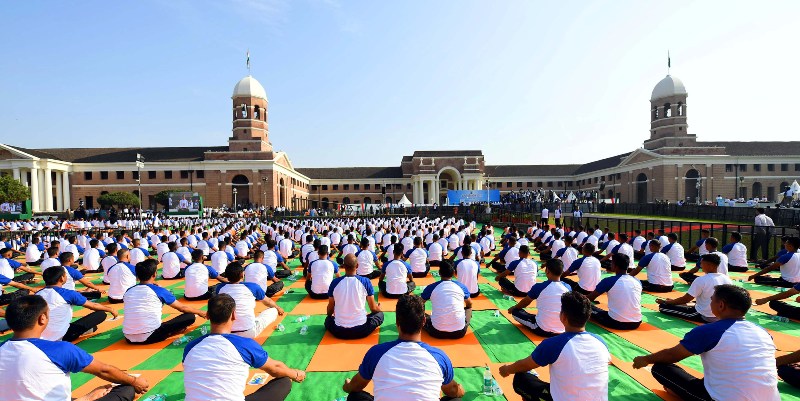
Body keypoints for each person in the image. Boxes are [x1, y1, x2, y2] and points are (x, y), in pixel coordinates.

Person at [633, 285, 780, 401]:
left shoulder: (709, 331)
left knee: (660, 368)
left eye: (711, 300)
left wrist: (645, 359)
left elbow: (672, 355)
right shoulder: (763, 332)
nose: (710, 303)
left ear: (721, 305)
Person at [0, 295, 147, 401]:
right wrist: (134, 382)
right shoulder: (59, 349)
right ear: (42, 318)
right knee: (126, 388)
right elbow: (104, 370)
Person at [182, 293, 306, 401]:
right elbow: (275, 368)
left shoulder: (190, 347)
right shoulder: (243, 344)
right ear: (234, 316)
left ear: (208, 315)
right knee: (284, 380)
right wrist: (295, 374)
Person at [342, 294, 465, 401]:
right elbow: (453, 391)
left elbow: (355, 386)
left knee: (355, 397)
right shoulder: (439, 357)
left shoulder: (376, 353)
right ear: (423, 321)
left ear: (397, 322)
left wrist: (347, 386)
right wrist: (460, 391)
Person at [499, 291, 611, 401]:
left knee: (521, 377)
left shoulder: (554, 344)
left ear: (563, 317)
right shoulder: (601, 342)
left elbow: (525, 365)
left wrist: (507, 369)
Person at [123, 259, 207, 344]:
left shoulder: (128, 291)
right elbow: (183, 308)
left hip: (128, 338)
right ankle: (173, 332)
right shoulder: (159, 290)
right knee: (190, 316)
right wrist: (200, 312)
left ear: (137, 276)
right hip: (152, 336)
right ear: (154, 274)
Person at [37, 266, 117, 342]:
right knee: (101, 314)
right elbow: (93, 306)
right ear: (62, 278)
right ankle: (76, 333)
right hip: (62, 336)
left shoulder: (37, 294)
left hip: (38, 336)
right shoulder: (68, 293)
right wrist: (111, 309)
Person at [657, 254, 732, 323]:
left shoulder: (701, 280)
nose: (701, 265)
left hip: (704, 315)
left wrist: (666, 302)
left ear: (710, 265)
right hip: (721, 315)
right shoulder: (727, 279)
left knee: (663, 307)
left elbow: (686, 299)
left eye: (702, 263)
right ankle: (682, 304)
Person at [217, 262, 283, 339]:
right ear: (242, 275)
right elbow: (268, 302)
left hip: (224, 332)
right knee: (273, 310)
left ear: (226, 276)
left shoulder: (219, 288)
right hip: (248, 332)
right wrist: (278, 308)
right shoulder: (252, 287)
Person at [325, 254, 384, 339]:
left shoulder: (335, 283)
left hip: (339, 331)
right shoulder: (365, 281)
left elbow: (329, 311)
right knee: (380, 314)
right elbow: (373, 308)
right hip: (361, 330)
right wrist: (378, 308)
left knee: (328, 320)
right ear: (357, 265)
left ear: (344, 266)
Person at [508, 258, 571, 338]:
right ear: (562, 272)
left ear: (547, 271)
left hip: (542, 329)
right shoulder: (568, 287)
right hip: (562, 329)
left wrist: (514, 308)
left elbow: (525, 303)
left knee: (516, 312)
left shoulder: (539, 287)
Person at [586, 254, 642, 330]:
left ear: (615, 266)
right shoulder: (637, 281)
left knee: (585, 307)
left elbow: (590, 298)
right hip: (636, 322)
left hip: (616, 322)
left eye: (612, 262)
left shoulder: (609, 281)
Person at [421, 260, 472, 339]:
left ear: (439, 272)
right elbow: (469, 304)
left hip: (436, 332)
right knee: (469, 309)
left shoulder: (431, 287)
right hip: (459, 333)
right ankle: (460, 322)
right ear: (454, 272)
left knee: (420, 315)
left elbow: (419, 304)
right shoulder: (461, 287)